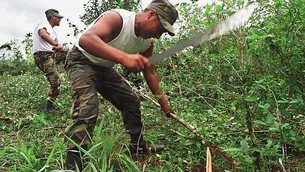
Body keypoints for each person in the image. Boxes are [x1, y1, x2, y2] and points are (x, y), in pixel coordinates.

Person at [64, 0, 178, 170]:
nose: (158, 35)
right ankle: (74, 163)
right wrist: (124, 58)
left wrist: (164, 104)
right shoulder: (118, 19)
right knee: (87, 108)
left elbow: (150, 72)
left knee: (131, 100)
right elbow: (86, 40)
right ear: (151, 14)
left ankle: (138, 148)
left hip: (105, 67)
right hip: (82, 60)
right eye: (160, 28)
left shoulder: (147, 42)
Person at [32, 9, 67, 111]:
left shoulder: (52, 31)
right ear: (53, 17)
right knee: (55, 80)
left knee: (70, 55)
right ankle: (50, 106)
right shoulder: (44, 24)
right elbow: (42, 33)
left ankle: (76, 76)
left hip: (51, 54)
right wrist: (55, 44)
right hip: (43, 56)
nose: (60, 20)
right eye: (59, 18)